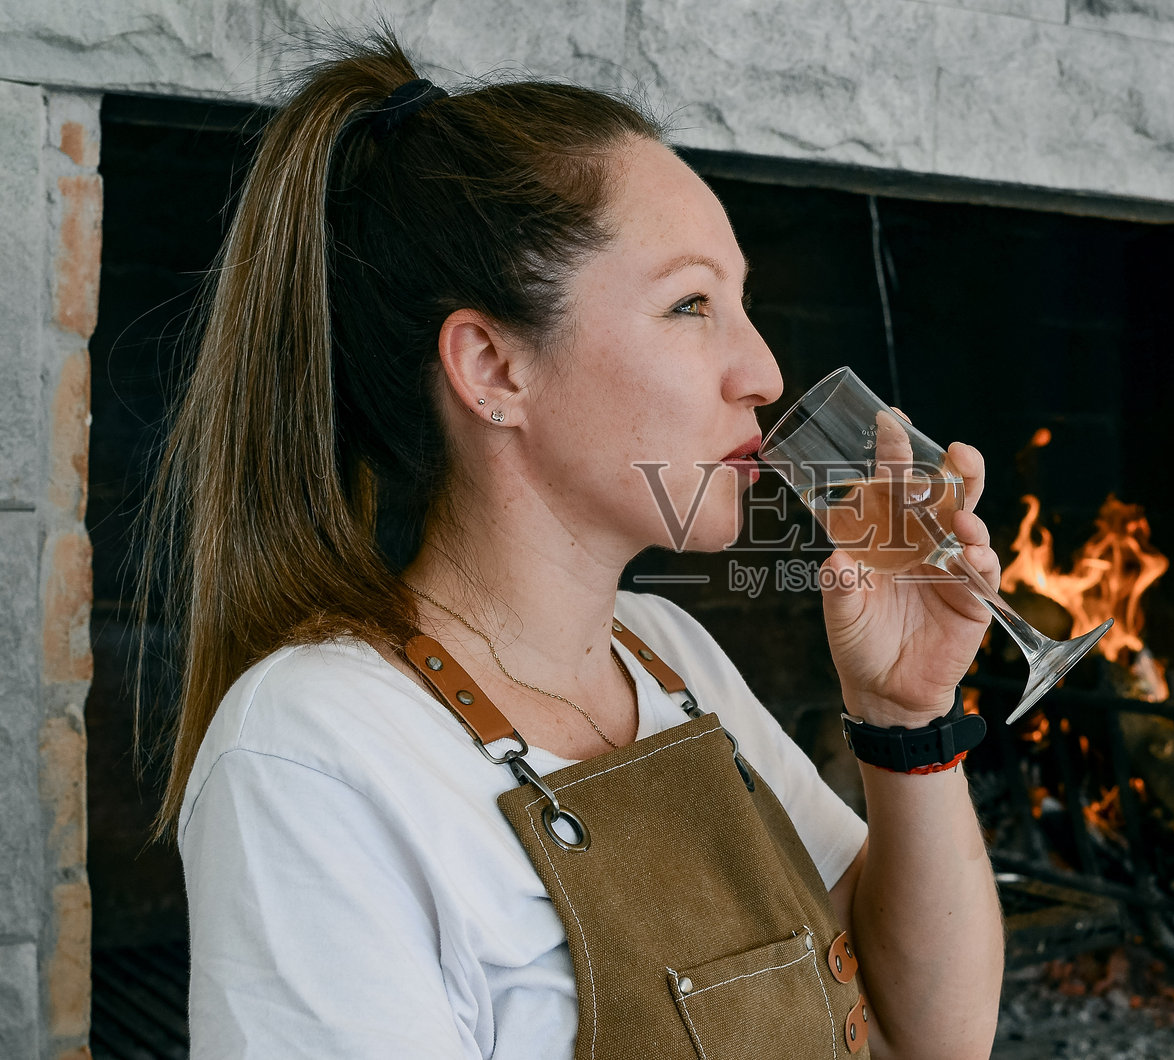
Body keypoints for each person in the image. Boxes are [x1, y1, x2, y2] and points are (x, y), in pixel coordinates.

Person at [142, 28, 1004, 1059]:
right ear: (494, 368)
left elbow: (935, 1034)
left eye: (742, 302)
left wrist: (904, 720)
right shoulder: (314, 750)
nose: (764, 370)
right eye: (690, 304)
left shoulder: (668, 654)